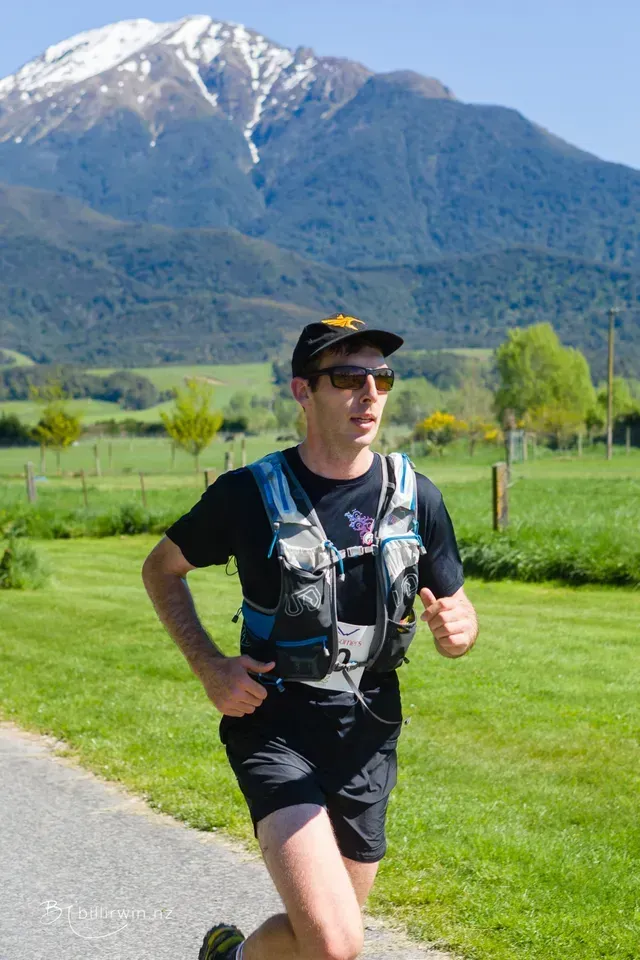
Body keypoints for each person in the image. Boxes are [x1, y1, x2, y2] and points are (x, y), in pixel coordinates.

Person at [142, 314, 479, 960]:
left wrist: (459, 631)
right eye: (348, 377)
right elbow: (161, 569)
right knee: (334, 942)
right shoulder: (248, 495)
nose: (369, 394)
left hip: (368, 737)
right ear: (304, 391)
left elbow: (457, 614)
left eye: (381, 377)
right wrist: (211, 666)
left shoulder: (416, 496)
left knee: (315, 943)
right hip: (274, 726)